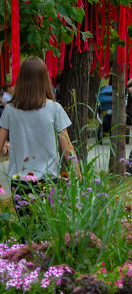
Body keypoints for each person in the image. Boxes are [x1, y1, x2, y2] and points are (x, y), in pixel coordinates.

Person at [0, 57, 76, 209]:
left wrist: (7, 149)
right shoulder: (55, 108)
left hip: (19, 182)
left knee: (27, 229)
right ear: (44, 79)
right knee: (46, 230)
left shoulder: (10, 109)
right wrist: (78, 176)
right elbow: (67, 150)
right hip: (48, 181)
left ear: (21, 79)